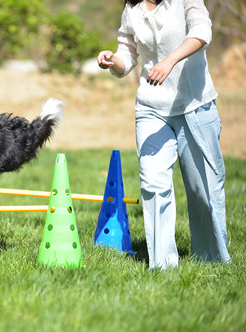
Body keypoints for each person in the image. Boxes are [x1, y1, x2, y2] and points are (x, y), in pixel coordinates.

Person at [97, 0, 231, 269]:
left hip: (194, 103)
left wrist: (170, 60)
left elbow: (202, 32)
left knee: (202, 189)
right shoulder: (132, 8)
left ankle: (212, 261)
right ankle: (163, 265)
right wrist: (113, 61)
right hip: (151, 107)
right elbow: (128, 55)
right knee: (153, 184)